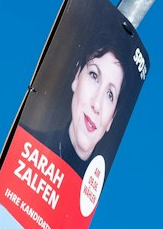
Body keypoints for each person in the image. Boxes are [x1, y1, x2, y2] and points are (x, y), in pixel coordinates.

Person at [35, 41, 131, 174]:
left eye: (110, 94)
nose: (96, 104)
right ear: (77, 77)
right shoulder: (25, 145)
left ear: (111, 119)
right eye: (94, 76)